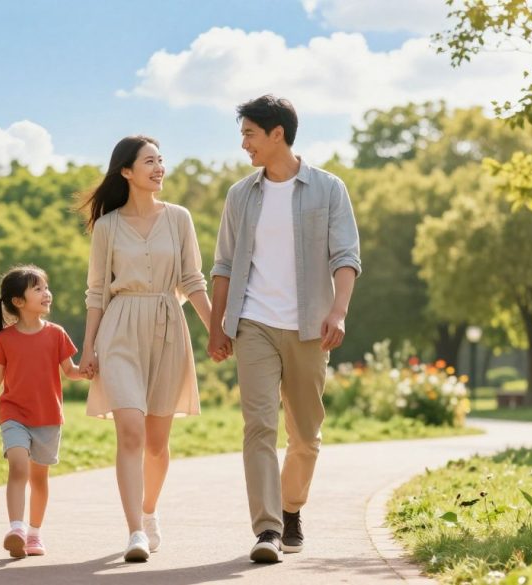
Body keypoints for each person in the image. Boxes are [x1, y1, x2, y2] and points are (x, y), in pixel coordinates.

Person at [207, 95, 361, 563]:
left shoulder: (329, 189)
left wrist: (337, 312)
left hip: (309, 327)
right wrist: (218, 326)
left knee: (305, 435)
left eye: (250, 134)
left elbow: (345, 256)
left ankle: (291, 507)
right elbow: (224, 265)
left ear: (278, 134)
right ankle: (268, 529)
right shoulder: (240, 195)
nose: (244, 144)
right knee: (258, 427)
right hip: (253, 323)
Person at [79, 135, 213, 562]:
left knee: (157, 442)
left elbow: (192, 281)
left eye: (161, 160)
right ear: (126, 171)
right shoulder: (107, 226)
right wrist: (88, 349)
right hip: (118, 329)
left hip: (167, 328)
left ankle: (149, 512)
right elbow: (97, 291)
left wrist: (217, 332)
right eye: (149, 161)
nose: (159, 168)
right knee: (131, 432)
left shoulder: (179, 218)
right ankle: (135, 531)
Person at [0, 265, 85, 558]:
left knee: (39, 478)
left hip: (48, 416)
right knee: (18, 468)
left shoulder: (56, 334)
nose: (46, 293)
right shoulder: (5, 339)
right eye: (38, 288)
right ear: (18, 302)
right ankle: (16, 529)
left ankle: (34, 534)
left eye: (46, 287)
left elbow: (70, 372)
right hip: (14, 415)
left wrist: (86, 371)